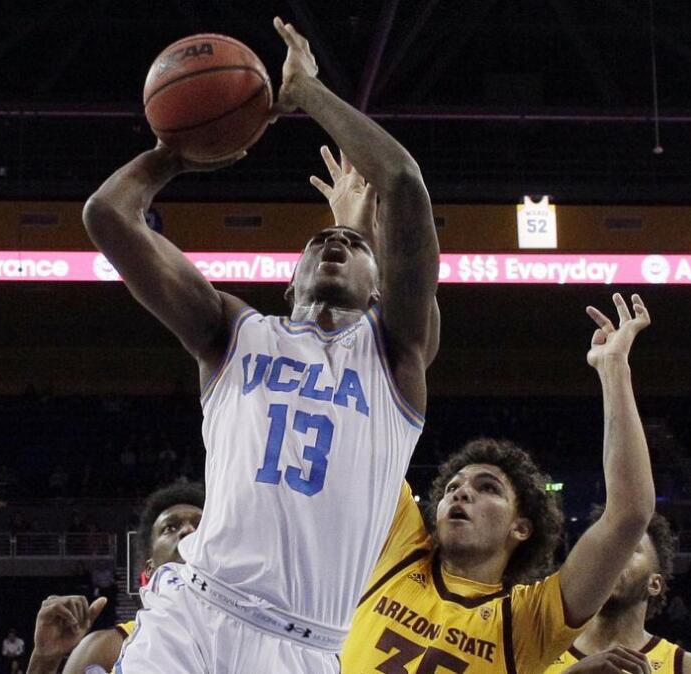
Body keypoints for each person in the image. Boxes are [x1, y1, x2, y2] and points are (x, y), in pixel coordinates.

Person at [82, 16, 440, 672]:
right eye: (321, 242)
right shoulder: (233, 333)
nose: (336, 243)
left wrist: (308, 95)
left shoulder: (395, 358)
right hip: (195, 614)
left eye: (355, 245)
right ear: (292, 278)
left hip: (303, 646)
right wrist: (172, 155)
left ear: (379, 283)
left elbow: (405, 184)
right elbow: (106, 216)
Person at [342, 293, 657, 673]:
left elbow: (629, 513)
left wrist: (613, 368)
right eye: (451, 487)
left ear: (521, 527)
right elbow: (366, 422)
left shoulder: (528, 620)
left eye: (487, 487)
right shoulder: (401, 547)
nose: (461, 492)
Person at [26, 482, 205, 674]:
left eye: (201, 526)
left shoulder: (241, 639)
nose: (188, 531)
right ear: (149, 568)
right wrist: (44, 660)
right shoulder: (108, 649)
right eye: (170, 528)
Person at [544, 511, 691, 674]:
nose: (609, 555)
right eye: (601, 547)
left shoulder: (688, 668)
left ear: (654, 584)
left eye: (628, 547)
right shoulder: (536, 655)